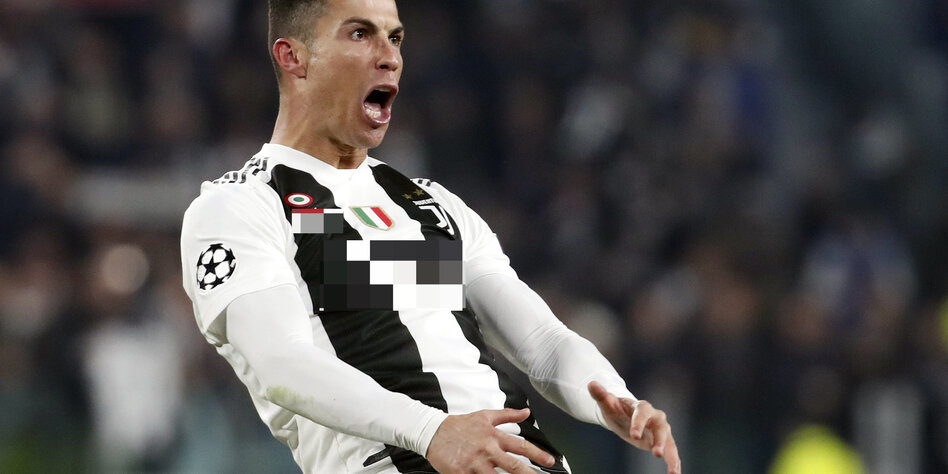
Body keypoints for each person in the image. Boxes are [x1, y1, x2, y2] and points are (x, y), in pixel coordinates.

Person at [179, 1, 682, 473]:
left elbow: (543, 344)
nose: (390, 58)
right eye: (360, 34)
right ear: (294, 57)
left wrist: (616, 399)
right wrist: (431, 431)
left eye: (395, 38)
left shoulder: (429, 203)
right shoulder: (241, 207)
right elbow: (282, 365)